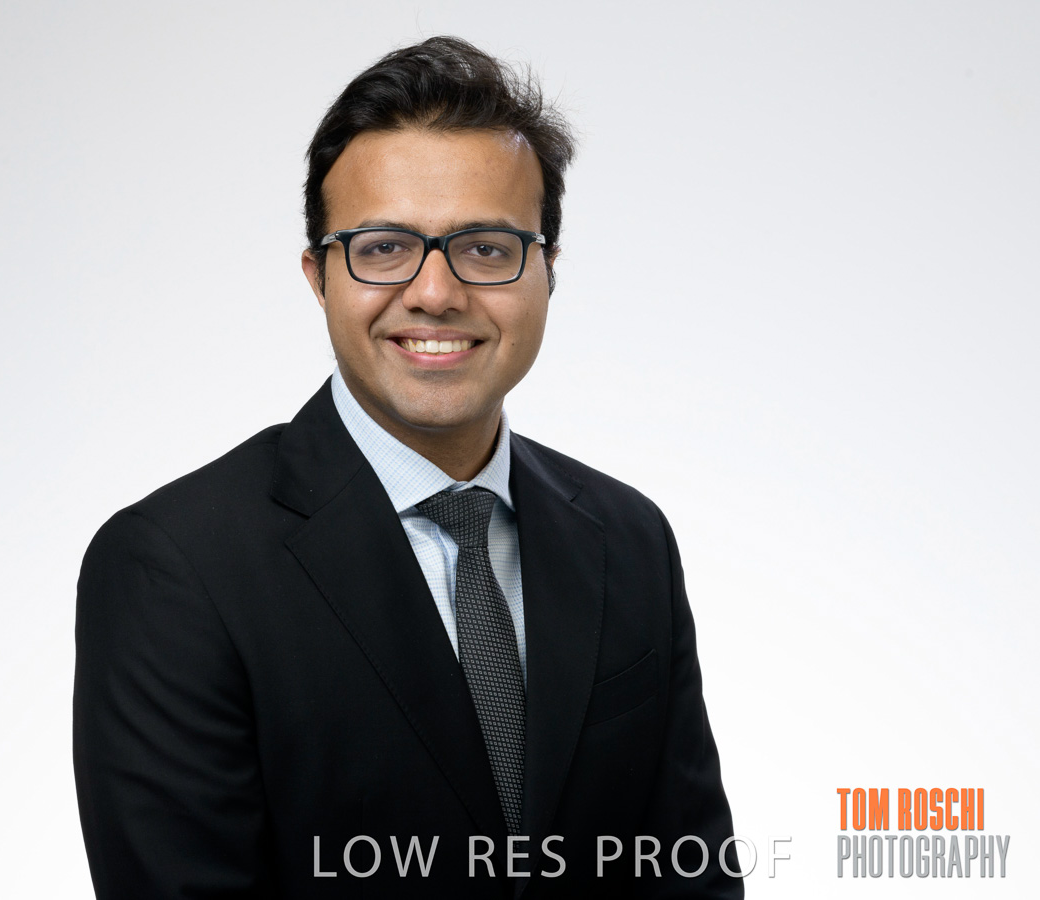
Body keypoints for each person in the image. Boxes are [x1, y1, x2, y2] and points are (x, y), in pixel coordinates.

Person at [73, 36, 742, 899]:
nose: (434, 293)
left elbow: (688, 873)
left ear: (546, 271)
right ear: (319, 276)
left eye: (487, 248)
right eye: (383, 247)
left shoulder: (628, 539)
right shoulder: (175, 568)